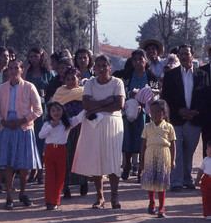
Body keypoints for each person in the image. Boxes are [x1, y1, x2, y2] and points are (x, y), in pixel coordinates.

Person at [72, 55, 125, 209]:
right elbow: (86, 105)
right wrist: (107, 101)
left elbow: (119, 104)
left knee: (113, 159)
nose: (101, 69)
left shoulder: (117, 82)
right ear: (94, 68)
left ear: (110, 67)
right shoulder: (90, 83)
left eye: (104, 65)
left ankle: (114, 196)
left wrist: (98, 106)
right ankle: (100, 196)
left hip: (112, 123)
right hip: (93, 124)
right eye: (98, 66)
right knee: (96, 159)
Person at [0, 59, 43, 209]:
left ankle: (22, 193)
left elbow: (38, 109)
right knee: (8, 165)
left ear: (22, 70)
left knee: (24, 166)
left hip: (24, 128)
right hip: (7, 128)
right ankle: (9, 197)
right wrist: (3, 121)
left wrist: (23, 120)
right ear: (7, 71)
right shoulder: (1, 88)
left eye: (16, 68)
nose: (13, 71)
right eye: (10, 68)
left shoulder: (29, 87)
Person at [161, 44, 210, 192]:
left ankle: (187, 179)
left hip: (195, 119)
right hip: (176, 119)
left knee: (189, 150)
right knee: (177, 150)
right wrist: (179, 111)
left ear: (192, 56)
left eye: (186, 54)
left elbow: (206, 96)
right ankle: (176, 181)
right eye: (181, 54)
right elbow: (166, 98)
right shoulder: (171, 75)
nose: (184, 56)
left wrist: (195, 112)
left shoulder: (202, 75)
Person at [117, 50, 159, 181]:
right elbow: (122, 91)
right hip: (128, 112)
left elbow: (156, 93)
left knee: (144, 141)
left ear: (146, 61)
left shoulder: (151, 77)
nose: (138, 62)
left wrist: (146, 98)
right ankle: (127, 165)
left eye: (141, 59)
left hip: (145, 114)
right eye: (135, 59)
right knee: (127, 139)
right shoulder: (127, 75)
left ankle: (141, 169)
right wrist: (131, 96)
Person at [39, 102, 84, 210]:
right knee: (50, 177)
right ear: (49, 112)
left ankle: (56, 200)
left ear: (63, 111)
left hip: (61, 150)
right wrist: (50, 127)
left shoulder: (67, 122)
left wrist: (87, 107)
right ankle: (49, 201)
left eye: (58, 109)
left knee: (60, 177)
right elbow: (41, 135)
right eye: (53, 110)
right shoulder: (47, 123)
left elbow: (79, 118)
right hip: (50, 151)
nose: (56, 112)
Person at [51, 66, 88, 197]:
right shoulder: (59, 93)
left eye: (74, 79)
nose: (71, 82)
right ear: (63, 80)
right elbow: (54, 109)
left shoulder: (84, 92)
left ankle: (84, 183)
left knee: (81, 157)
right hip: (65, 129)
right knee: (65, 159)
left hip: (81, 129)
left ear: (79, 79)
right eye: (68, 79)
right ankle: (65, 187)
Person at [139, 100, 176, 218]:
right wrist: (142, 160)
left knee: (162, 181)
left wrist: (173, 160)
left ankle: (161, 206)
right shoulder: (147, 126)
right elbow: (143, 144)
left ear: (164, 113)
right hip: (150, 154)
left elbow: (173, 144)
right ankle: (152, 202)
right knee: (150, 180)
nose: (154, 114)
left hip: (163, 154)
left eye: (158, 112)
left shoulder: (169, 127)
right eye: (152, 112)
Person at [24, 47, 55, 183]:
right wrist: (24, 69)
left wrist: (46, 96)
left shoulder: (48, 73)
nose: (33, 59)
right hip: (29, 110)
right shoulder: (28, 72)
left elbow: (54, 89)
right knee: (31, 141)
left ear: (42, 57)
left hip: (44, 109)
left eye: (36, 56)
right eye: (31, 56)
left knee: (42, 141)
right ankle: (32, 170)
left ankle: (41, 171)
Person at [194, 140, 211, 220]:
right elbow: (201, 170)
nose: (206, 150)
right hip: (206, 179)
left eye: (208, 148)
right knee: (206, 197)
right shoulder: (206, 159)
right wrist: (198, 178)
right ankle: (208, 213)